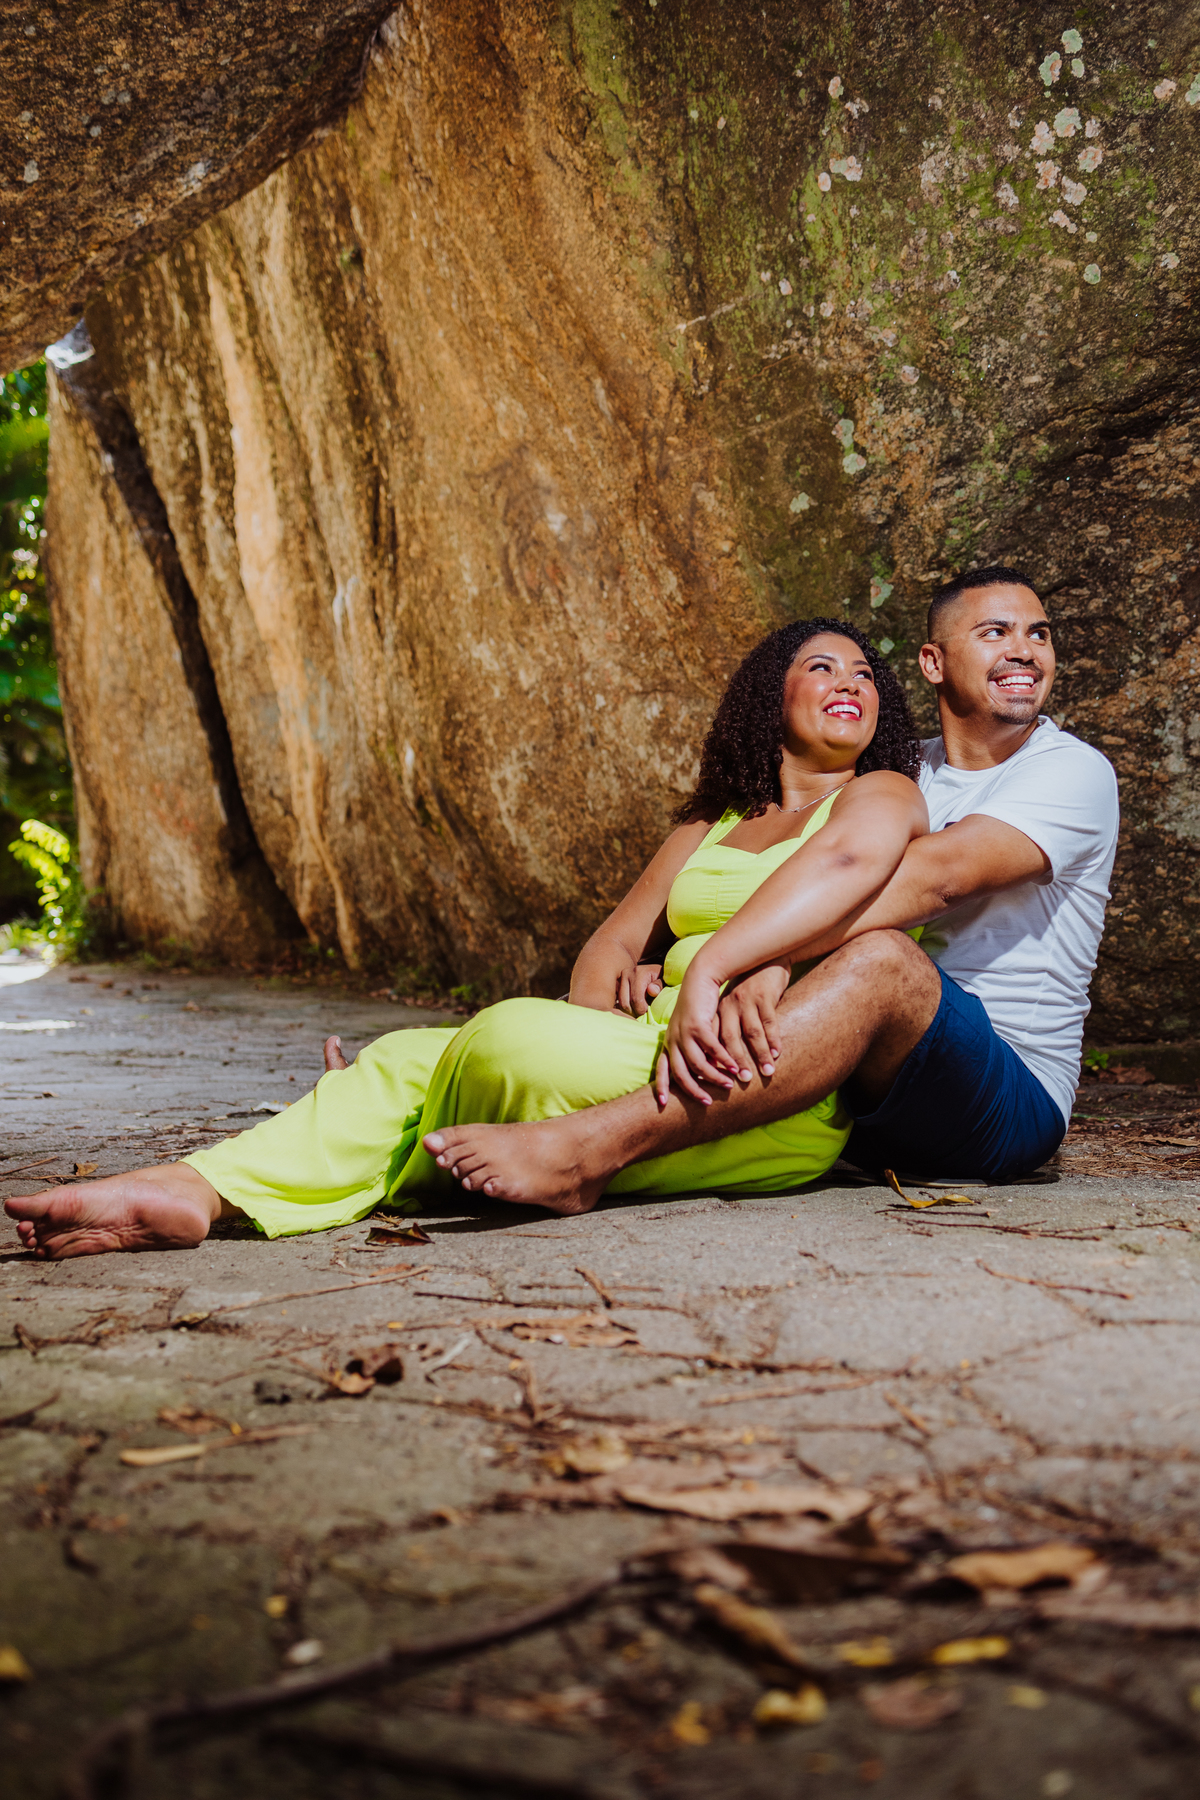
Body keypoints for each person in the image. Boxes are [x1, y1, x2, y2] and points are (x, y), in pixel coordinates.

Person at [7, 618, 929, 1258]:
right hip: (651, 1041)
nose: (849, 683)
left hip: (751, 1072)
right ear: (770, 697)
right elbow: (606, 948)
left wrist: (716, 972)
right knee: (417, 1054)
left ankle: (442, 1133)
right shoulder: (710, 823)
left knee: (489, 1045)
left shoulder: (882, 793)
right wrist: (611, 1006)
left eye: (864, 675)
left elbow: (850, 874)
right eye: (822, 667)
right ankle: (193, 1190)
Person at [415, 564, 1119, 1210]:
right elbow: (789, 879)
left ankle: (588, 1151)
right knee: (528, 1042)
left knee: (883, 965)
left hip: (1000, 1097)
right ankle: (417, 1115)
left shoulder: (1070, 773)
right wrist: (683, 968)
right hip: (843, 1079)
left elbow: (932, 881)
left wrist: (754, 958)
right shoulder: (900, 772)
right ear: (932, 663)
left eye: (1039, 634)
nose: (1024, 650)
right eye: (995, 632)